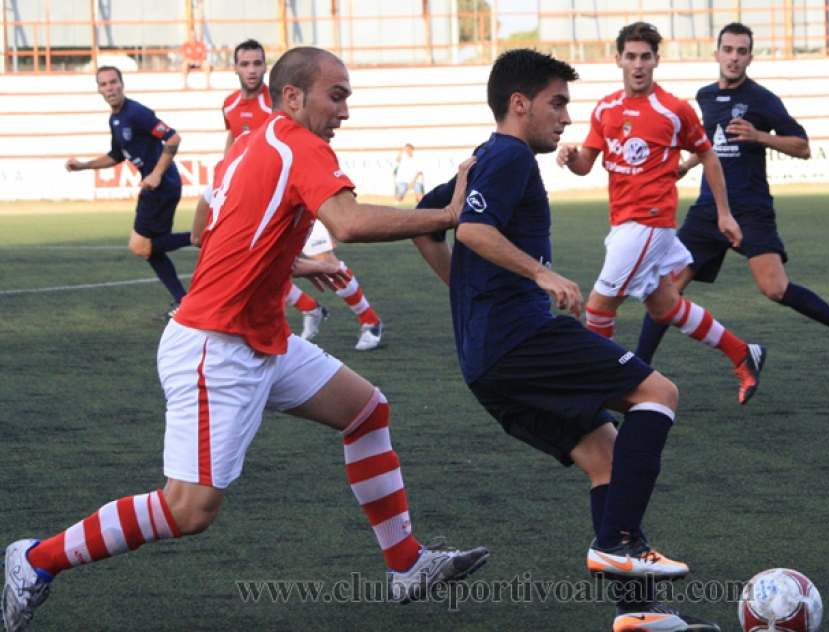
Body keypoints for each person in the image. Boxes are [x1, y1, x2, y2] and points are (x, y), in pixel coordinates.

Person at [2, 47, 488, 632]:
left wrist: (291, 264)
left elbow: (211, 233)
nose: (345, 110)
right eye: (337, 95)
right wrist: (446, 216)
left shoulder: (249, 143)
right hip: (216, 344)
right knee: (189, 510)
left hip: (258, 338)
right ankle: (32, 561)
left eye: (347, 97)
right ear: (293, 96)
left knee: (366, 411)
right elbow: (350, 224)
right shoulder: (302, 146)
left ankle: (406, 564)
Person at [413, 48, 719, 632]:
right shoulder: (509, 157)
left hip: (487, 363)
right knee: (659, 394)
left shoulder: (484, 157)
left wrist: (468, 293)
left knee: (605, 455)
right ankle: (619, 540)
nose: (566, 118)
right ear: (519, 104)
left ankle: (638, 614)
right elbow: (472, 228)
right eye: (557, 104)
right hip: (520, 339)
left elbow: (434, 224)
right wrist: (540, 274)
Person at [635, 23, 829, 370]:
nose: (734, 58)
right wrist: (688, 164)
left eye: (741, 51)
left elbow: (802, 146)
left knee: (775, 288)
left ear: (750, 56)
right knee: (666, 292)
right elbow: (710, 141)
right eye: (728, 50)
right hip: (708, 208)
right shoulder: (705, 96)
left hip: (749, 207)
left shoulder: (761, 99)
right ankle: (638, 371)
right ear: (716, 53)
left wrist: (759, 135)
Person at [556, 22, 765, 405]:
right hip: (623, 223)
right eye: (631, 56)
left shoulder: (674, 110)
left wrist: (724, 214)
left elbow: (707, 155)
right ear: (618, 59)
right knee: (667, 307)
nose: (638, 65)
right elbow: (587, 163)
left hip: (649, 223)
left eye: (646, 57)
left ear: (656, 61)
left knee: (598, 307)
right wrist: (571, 159)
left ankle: (598, 390)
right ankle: (742, 353)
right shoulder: (605, 109)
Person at [220, 38, 384, 349]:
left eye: (257, 63)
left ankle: (369, 320)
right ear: (236, 68)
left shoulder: (280, 101)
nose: (251, 70)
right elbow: (233, 142)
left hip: (298, 193)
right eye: (245, 64)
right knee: (254, 260)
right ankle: (310, 308)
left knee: (323, 257)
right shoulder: (230, 105)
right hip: (261, 199)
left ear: (267, 68)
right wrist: (224, 178)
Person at [65, 66, 192, 320]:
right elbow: (116, 155)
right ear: (99, 89)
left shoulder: (137, 113)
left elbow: (173, 138)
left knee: (139, 246)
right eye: (104, 84)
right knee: (150, 249)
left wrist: (155, 174)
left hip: (160, 187)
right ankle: (185, 303)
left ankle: (202, 235)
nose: (110, 88)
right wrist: (84, 166)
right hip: (160, 186)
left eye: (113, 82)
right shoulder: (115, 119)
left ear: (122, 84)